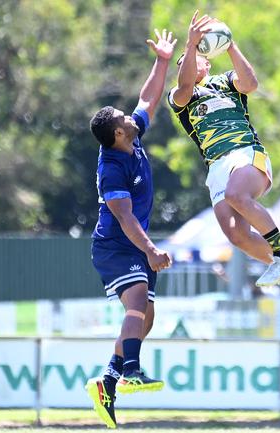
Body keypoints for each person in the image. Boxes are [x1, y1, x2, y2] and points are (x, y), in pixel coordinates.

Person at [168, 11, 280, 308]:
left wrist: (230, 44)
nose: (186, 60)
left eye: (193, 56)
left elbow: (251, 84)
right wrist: (190, 43)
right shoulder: (179, 97)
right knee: (237, 235)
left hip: (245, 154)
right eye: (183, 60)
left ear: (207, 61)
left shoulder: (225, 81)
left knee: (237, 195)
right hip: (216, 168)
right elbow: (184, 89)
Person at [84, 29, 176, 429]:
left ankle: (107, 381)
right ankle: (133, 372)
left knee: (146, 318)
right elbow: (125, 218)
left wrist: (163, 60)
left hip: (134, 245)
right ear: (118, 134)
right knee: (137, 306)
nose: (129, 115)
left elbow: (148, 99)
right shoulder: (111, 166)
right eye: (123, 119)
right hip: (116, 247)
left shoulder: (131, 138)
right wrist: (153, 250)